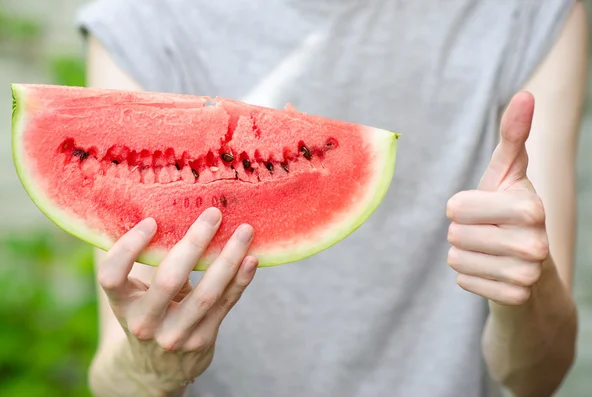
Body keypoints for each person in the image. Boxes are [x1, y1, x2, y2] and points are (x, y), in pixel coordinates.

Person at [76, 0, 588, 396]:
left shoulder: (526, 13)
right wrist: (149, 371)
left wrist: (528, 284)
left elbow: (537, 377)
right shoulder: (145, 17)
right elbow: (114, 376)